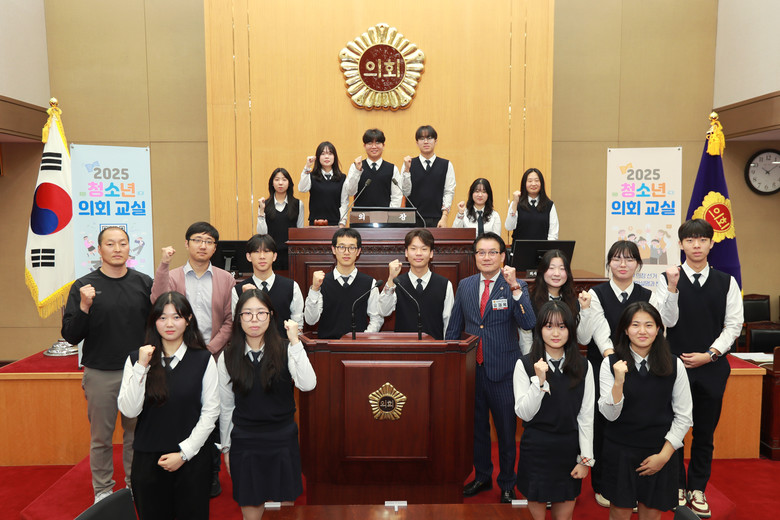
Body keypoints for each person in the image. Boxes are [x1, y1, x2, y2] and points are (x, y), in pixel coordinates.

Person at [652, 218, 742, 517]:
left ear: (711, 243)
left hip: (711, 368)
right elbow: (665, 321)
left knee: (704, 432)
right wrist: (673, 287)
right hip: (674, 368)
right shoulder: (668, 279)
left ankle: (698, 488)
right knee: (674, 429)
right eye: (690, 240)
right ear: (681, 244)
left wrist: (710, 354)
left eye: (702, 239)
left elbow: (734, 325)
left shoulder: (727, 282)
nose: (696, 245)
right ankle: (677, 485)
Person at [61, 226, 153, 503]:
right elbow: (71, 336)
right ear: (99, 250)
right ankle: (102, 490)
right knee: (101, 438)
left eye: (122, 243)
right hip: (100, 373)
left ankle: (134, 484)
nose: (117, 249)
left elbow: (156, 326)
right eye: (110, 244)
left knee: (136, 435)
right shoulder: (83, 286)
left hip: (137, 372)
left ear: (129, 248)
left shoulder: (144, 283)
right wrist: (84, 306)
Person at [445, 232, 536, 503]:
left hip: (504, 371)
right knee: (477, 430)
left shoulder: (515, 285)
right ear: (475, 257)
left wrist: (516, 288)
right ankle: (482, 476)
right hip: (472, 371)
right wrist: (452, 364)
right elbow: (454, 327)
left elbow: (528, 322)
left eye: (492, 252)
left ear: (502, 256)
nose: (486, 257)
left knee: (507, 432)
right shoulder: (465, 285)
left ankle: (507, 483)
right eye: (481, 252)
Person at [150, 220, 235, 496]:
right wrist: (163, 264)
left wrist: (210, 350)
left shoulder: (225, 278)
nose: (203, 245)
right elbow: (157, 300)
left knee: (212, 414)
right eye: (197, 240)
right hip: (178, 355)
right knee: (183, 412)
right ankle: (177, 468)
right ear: (187, 244)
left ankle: (211, 473)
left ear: (215, 247)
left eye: (209, 241)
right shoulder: (174, 276)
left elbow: (230, 320)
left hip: (213, 355)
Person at [117, 292, 219, 520]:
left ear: (188, 320)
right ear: (154, 321)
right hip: (148, 460)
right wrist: (141, 367)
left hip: (192, 460)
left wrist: (184, 454)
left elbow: (211, 412)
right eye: (162, 317)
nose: (169, 324)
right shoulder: (136, 359)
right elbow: (129, 410)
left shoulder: (203, 359)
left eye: (176, 317)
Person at [218, 289, 316, 520]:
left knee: (285, 513)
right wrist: (226, 448)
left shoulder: (286, 348)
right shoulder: (228, 355)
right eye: (247, 313)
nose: (254, 319)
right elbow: (226, 406)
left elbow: (308, 384)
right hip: (245, 441)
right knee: (251, 512)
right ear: (238, 318)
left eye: (261, 313)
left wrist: (295, 341)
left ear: (271, 316)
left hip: (282, 438)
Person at [599, 302, 693, 520]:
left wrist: (664, 456)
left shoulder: (674, 364)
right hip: (620, 450)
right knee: (619, 512)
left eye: (649, 325)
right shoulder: (610, 364)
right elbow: (609, 414)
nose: (642, 331)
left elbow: (684, 416)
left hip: (659, 450)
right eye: (635, 325)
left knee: (651, 513)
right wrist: (618, 382)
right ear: (625, 329)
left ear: (658, 329)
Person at [584, 240, 652, 508]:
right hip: (602, 366)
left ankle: (634, 484)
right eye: (617, 258)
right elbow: (596, 332)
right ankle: (602, 484)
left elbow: (656, 331)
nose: (623, 264)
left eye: (629, 259)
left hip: (639, 368)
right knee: (603, 427)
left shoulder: (648, 295)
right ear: (609, 263)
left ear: (638, 264)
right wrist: (612, 361)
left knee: (633, 424)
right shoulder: (595, 293)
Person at [513, 301, 594, 520]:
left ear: (570, 329)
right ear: (540, 329)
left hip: (568, 449)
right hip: (536, 449)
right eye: (549, 326)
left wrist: (585, 459)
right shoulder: (525, 364)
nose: (555, 333)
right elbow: (524, 413)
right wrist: (539, 382)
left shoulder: (583, 366)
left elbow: (586, 416)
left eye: (562, 326)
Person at [304, 227, 384, 339]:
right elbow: (310, 320)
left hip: (357, 345)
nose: (346, 252)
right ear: (333, 249)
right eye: (341, 247)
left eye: (352, 247)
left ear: (358, 251)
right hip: (328, 346)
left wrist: (363, 338)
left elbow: (376, 318)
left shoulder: (370, 283)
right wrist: (314, 289)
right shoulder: (321, 282)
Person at [378, 228, 454, 340]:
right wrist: (391, 279)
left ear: (431, 253)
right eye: (413, 249)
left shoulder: (445, 284)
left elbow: (449, 322)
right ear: (406, 253)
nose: (418, 253)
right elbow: (383, 311)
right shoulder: (397, 283)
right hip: (404, 347)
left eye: (424, 249)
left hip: (435, 348)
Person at [232, 234, 304, 335]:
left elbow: (298, 327)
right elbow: (236, 326)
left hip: (283, 344)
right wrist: (245, 300)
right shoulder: (238, 290)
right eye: (256, 252)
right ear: (248, 257)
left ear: (274, 256)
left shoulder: (291, 287)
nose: (262, 257)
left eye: (266, 251)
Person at [524, 249, 592, 353]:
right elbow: (526, 340)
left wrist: (585, 309)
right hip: (538, 357)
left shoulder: (574, 301)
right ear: (542, 271)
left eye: (562, 269)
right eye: (551, 268)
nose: (557, 273)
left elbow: (584, 340)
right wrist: (531, 360)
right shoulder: (529, 300)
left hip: (568, 358)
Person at [401, 125, 456, 227]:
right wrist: (407, 170)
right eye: (422, 139)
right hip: (413, 219)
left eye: (429, 138)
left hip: (437, 218)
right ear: (417, 143)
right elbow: (405, 192)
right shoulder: (408, 163)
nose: (426, 142)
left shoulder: (446, 165)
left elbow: (449, 192)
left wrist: (444, 217)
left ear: (436, 141)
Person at [344, 128, 408, 209]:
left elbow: (397, 196)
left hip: (385, 215)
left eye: (377, 143)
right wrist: (357, 172)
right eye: (370, 143)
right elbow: (350, 192)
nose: (374, 147)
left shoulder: (392, 169)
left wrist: (390, 214)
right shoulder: (355, 166)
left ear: (383, 146)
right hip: (361, 215)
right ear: (364, 146)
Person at [256, 167, 305, 271]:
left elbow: (300, 231)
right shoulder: (264, 204)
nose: (280, 183)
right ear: (272, 183)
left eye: (284, 179)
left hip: (291, 253)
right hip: (271, 253)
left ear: (289, 183)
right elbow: (261, 234)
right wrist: (261, 211)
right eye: (277, 179)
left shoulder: (298, 204)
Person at [298, 141, 348, 226]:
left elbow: (344, 202)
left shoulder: (342, 178)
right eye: (323, 154)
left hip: (335, 223)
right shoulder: (311, 176)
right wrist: (307, 167)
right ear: (318, 157)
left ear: (335, 157)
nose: (327, 157)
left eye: (330, 153)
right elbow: (302, 189)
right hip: (315, 223)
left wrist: (342, 223)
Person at [505, 167, 559, 241]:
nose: (533, 184)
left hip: (542, 247)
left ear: (541, 183)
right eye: (530, 181)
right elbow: (509, 227)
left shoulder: (549, 205)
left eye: (537, 181)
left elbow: (553, 234)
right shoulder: (516, 203)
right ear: (524, 183)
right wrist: (515, 203)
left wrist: (547, 247)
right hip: (520, 247)